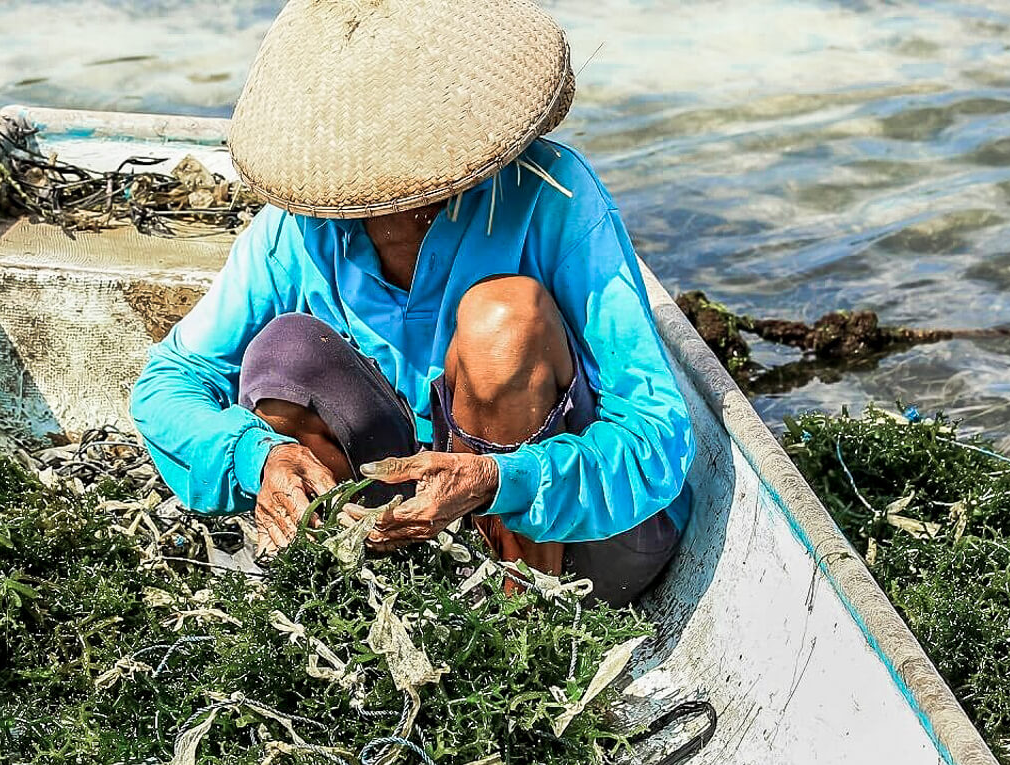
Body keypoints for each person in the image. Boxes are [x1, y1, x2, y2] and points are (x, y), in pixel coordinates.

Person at [130, 0, 694, 605]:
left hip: (583, 539)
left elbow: (657, 430)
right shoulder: (298, 230)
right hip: (398, 539)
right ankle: (352, 586)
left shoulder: (554, 196)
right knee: (287, 352)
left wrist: (498, 479)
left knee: (504, 322)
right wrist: (255, 457)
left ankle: (524, 613)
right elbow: (169, 383)